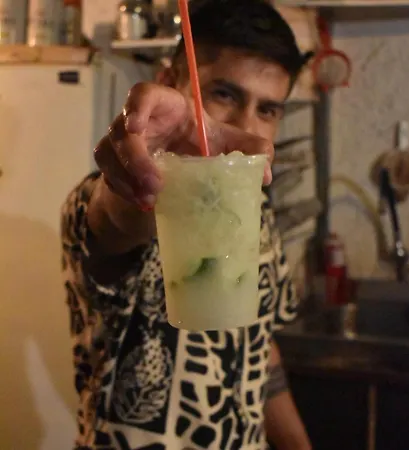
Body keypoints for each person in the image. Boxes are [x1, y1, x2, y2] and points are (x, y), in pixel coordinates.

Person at [61, 0, 313, 448]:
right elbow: (111, 223)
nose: (246, 125)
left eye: (268, 109)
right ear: (167, 82)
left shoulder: (257, 215)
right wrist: (139, 184)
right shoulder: (97, 198)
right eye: (225, 95)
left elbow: (262, 348)